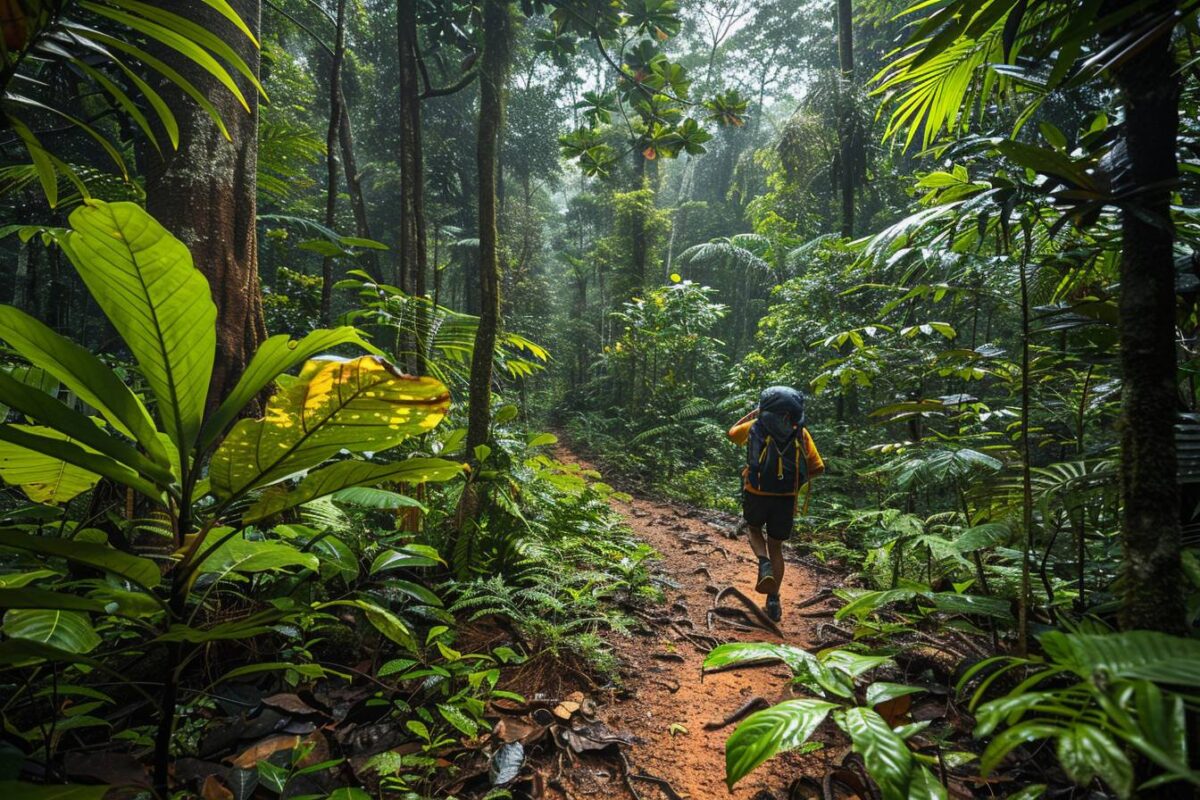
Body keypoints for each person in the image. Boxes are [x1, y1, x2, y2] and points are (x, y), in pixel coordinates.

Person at [727, 386, 824, 623]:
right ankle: (773, 599)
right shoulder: (801, 433)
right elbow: (817, 467)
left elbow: (731, 434)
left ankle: (763, 562)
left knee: (752, 529)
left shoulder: (755, 427)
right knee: (777, 546)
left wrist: (754, 414)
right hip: (785, 498)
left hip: (756, 492)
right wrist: (794, 484)